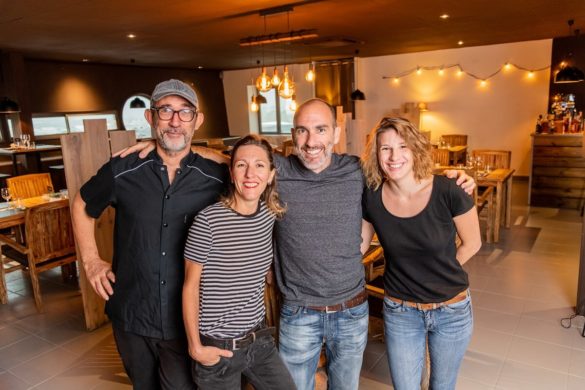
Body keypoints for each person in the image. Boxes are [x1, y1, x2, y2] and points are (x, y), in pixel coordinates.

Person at [120, 98, 475, 390]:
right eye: (302, 131)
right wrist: (164, 146)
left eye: (321, 129)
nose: (311, 141)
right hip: (299, 312)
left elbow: (407, 171)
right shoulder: (278, 170)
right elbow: (235, 158)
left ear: (335, 134)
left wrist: (457, 177)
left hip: (351, 310)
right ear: (292, 135)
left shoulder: (357, 171)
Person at [71, 79, 229, 390]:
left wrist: (216, 153)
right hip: (133, 312)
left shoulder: (216, 176)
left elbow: (267, 169)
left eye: (185, 113)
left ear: (198, 121)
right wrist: (90, 260)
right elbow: (82, 203)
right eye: (166, 111)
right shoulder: (123, 169)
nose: (175, 121)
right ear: (150, 118)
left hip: (187, 319)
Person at [360, 117, 481, 390]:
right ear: (376, 154)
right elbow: (360, 246)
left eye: (402, 146)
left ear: (415, 149)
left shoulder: (449, 189)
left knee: (442, 385)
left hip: (451, 308)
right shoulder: (372, 196)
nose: (394, 156)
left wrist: (438, 271)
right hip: (401, 310)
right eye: (385, 148)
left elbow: (473, 243)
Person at [182, 134, 295, 390]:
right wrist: (196, 347)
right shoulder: (208, 222)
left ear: (270, 175)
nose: (250, 174)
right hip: (218, 349)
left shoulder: (269, 215)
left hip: (259, 341)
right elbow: (190, 285)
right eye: (241, 165)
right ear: (231, 173)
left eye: (259, 166)